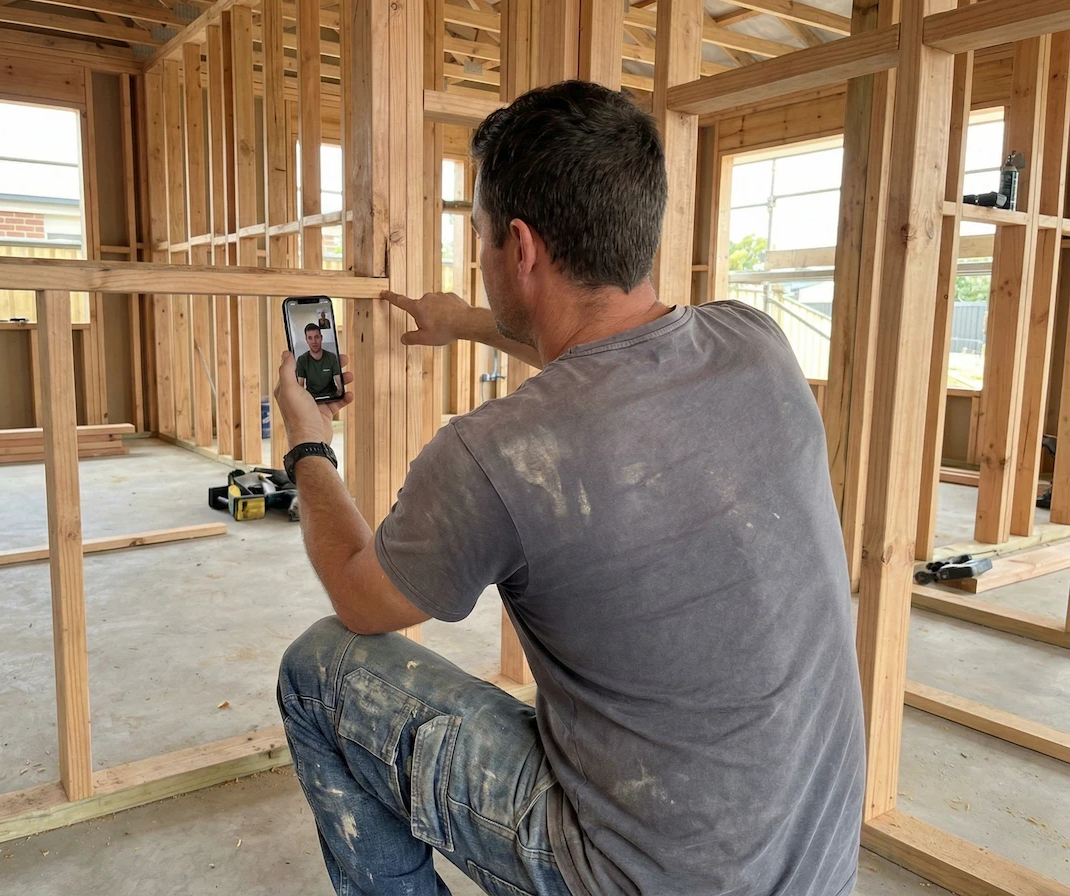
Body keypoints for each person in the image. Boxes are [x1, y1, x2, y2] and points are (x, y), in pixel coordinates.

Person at [272, 80, 865, 896]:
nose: (479, 259)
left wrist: (308, 443)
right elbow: (610, 365)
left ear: (520, 247)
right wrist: (466, 322)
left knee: (317, 669)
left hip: (636, 881)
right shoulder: (754, 342)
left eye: (478, 238)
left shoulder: (492, 453)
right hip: (813, 867)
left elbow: (361, 598)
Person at [295, 322, 342, 398]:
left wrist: (339, 394)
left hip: (331, 398)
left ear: (321, 338)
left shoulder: (332, 357)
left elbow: (340, 383)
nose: (314, 341)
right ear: (306, 340)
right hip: (311, 400)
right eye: (310, 338)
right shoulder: (302, 360)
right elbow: (300, 386)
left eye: (316, 337)